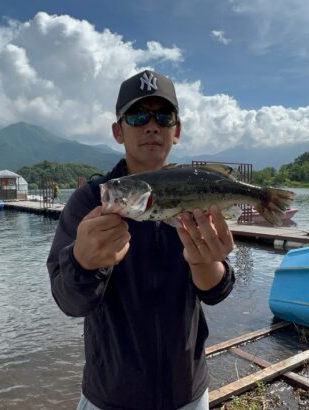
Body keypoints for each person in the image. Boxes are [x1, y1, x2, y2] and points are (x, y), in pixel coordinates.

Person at [47, 70, 235, 410]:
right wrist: (82, 263)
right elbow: (70, 303)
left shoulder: (195, 198)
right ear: (118, 131)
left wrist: (206, 261)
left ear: (176, 132)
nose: (152, 126)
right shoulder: (90, 203)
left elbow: (216, 292)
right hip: (110, 396)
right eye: (137, 116)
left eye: (163, 116)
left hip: (188, 394)